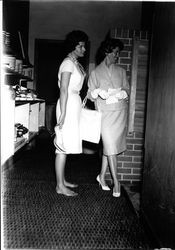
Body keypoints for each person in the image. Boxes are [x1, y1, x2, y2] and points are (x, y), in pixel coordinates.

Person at [87, 38, 130, 197]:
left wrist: (123, 92)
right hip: (104, 114)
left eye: (118, 52)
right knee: (110, 146)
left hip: (119, 112)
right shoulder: (95, 72)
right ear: (107, 52)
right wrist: (96, 93)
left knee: (109, 147)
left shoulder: (121, 71)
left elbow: (127, 88)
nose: (117, 55)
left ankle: (101, 176)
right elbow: (90, 95)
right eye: (116, 52)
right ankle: (117, 183)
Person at [54, 30, 88, 196]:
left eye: (84, 46)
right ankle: (60, 186)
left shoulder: (74, 63)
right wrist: (63, 113)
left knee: (66, 144)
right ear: (73, 46)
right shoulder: (67, 63)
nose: (84, 49)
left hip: (73, 104)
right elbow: (64, 89)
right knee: (61, 145)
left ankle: (62, 180)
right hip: (66, 105)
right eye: (81, 45)